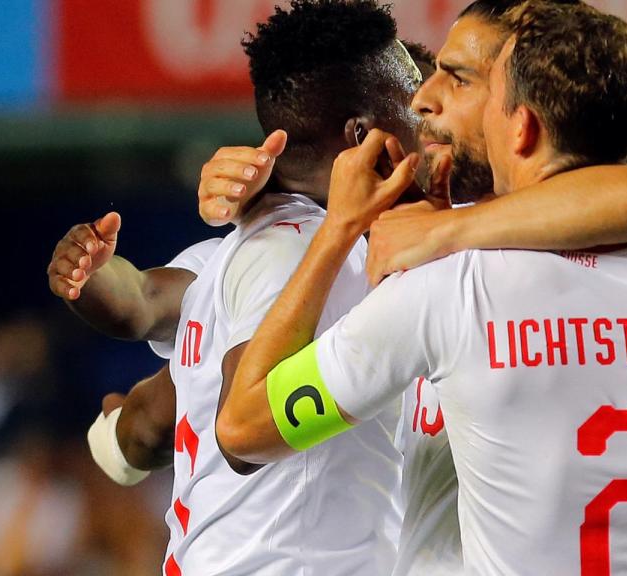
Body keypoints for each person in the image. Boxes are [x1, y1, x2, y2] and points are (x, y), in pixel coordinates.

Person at [215, 2, 627, 575]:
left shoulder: (447, 288)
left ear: (519, 125)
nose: (426, 97)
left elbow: (243, 430)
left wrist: (340, 227)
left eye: (464, 80)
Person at [48, 2, 431, 573]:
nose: (431, 127)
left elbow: (152, 422)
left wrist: (118, 434)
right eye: (416, 107)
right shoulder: (296, 253)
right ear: (362, 135)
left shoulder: (248, 252)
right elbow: (243, 423)